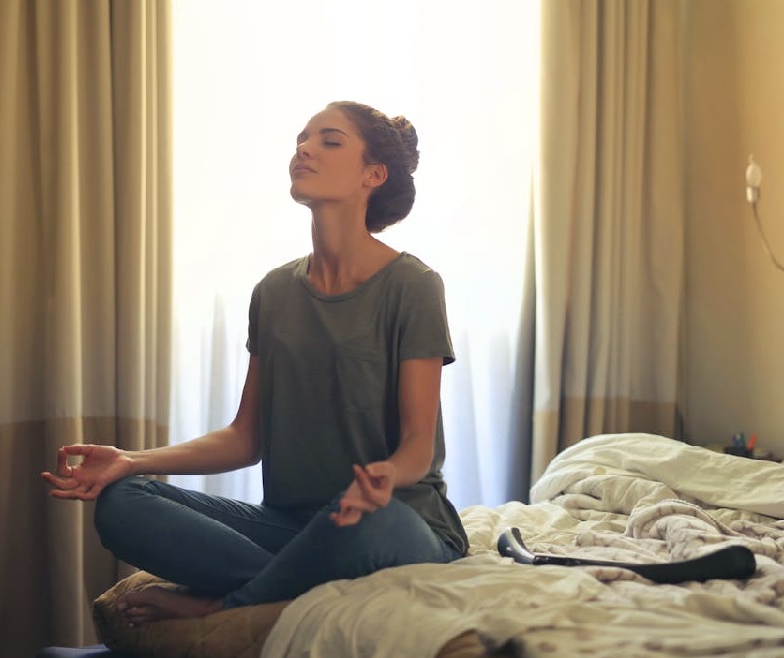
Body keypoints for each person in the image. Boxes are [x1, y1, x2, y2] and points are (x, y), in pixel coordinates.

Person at [42, 101, 467, 624]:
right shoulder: (274, 291)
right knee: (124, 502)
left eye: (329, 140)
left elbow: (419, 446)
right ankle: (288, 583)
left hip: (391, 521)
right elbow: (245, 438)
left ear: (373, 175)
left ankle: (227, 605)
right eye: (301, 139)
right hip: (290, 527)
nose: (304, 149)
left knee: (367, 524)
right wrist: (131, 460)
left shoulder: (413, 286)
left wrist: (387, 473)